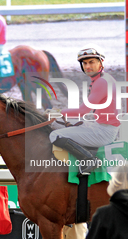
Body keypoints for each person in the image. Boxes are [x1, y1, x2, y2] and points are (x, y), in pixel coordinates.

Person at [49, 44, 120, 176]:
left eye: (92, 62)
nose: (87, 66)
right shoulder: (103, 79)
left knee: (55, 135)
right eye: (85, 63)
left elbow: (82, 111)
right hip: (101, 126)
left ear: (101, 63)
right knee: (65, 124)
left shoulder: (101, 82)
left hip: (104, 132)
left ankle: (89, 160)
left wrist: (59, 112)